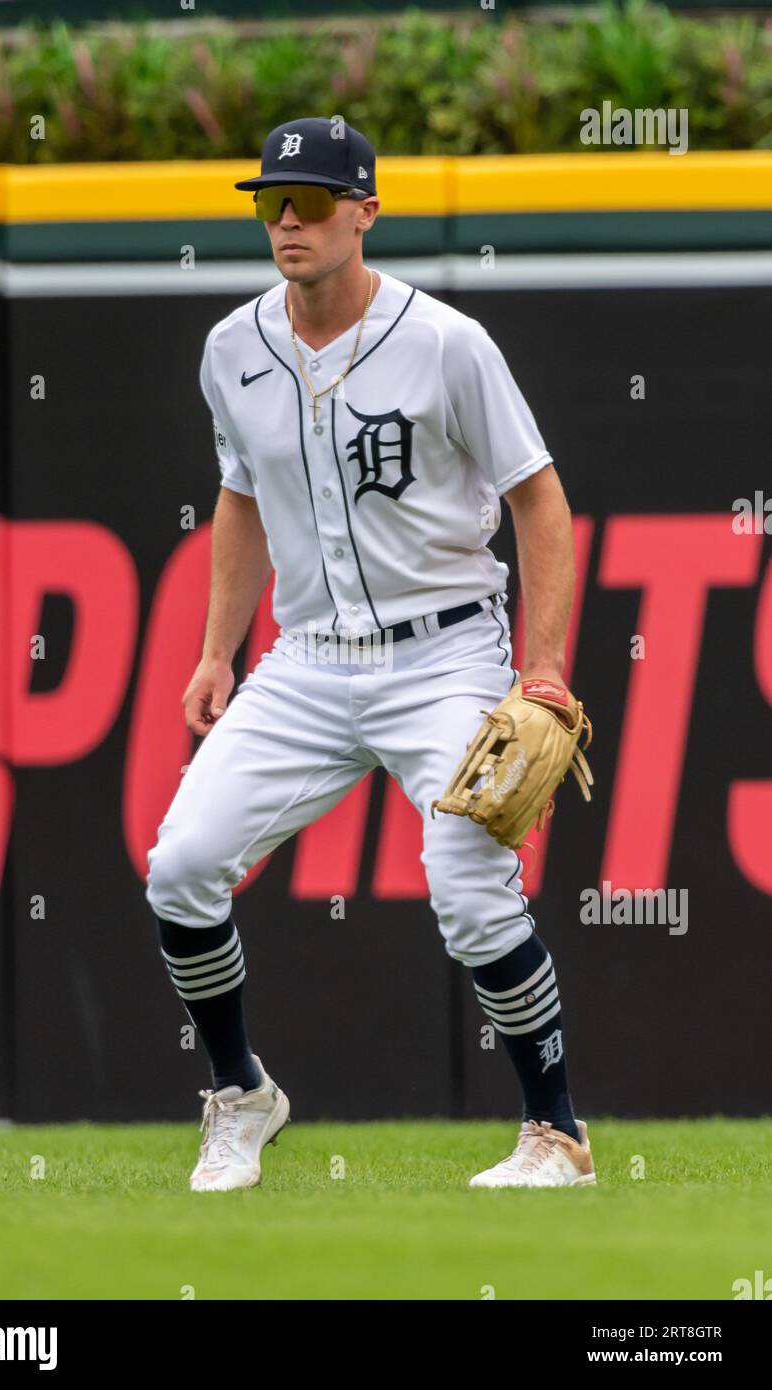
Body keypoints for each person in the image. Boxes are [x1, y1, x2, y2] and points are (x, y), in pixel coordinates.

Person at [145, 116, 596, 1192]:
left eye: (308, 199)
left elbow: (538, 502)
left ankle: (556, 1133)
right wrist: (218, 651)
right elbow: (240, 497)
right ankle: (239, 1092)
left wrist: (540, 670)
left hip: (442, 653)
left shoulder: (445, 341)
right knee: (179, 867)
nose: (287, 219)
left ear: (364, 212)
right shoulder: (230, 348)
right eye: (270, 202)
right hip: (304, 662)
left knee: (468, 884)